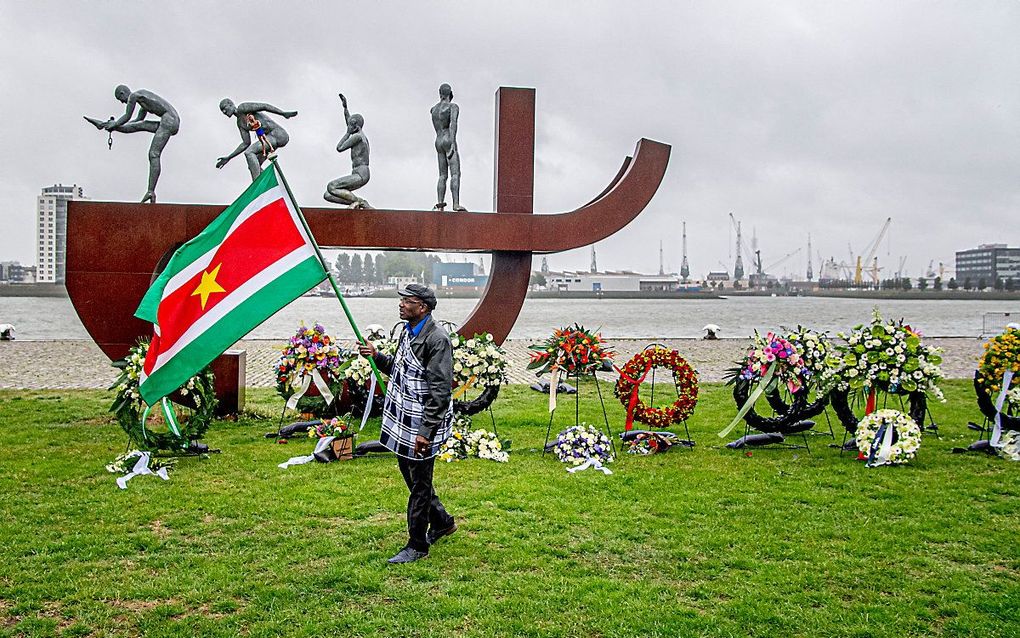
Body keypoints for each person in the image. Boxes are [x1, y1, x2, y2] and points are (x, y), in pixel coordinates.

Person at [358, 284, 455, 564]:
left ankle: (417, 544)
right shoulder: (406, 332)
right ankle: (442, 522)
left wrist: (426, 432)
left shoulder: (437, 340)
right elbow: (399, 368)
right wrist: (376, 356)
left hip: (422, 422)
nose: (401, 305)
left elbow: (440, 391)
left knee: (420, 484)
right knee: (412, 477)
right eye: (401, 300)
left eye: (408, 301)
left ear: (423, 308)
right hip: (403, 418)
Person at [84, 85, 180, 203]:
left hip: (169, 121)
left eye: (121, 100)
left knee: (154, 154)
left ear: (122, 93)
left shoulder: (134, 96)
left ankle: (150, 191)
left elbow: (127, 116)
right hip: (170, 120)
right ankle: (103, 124)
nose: (123, 102)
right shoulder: (143, 101)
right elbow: (135, 122)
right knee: (140, 125)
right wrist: (115, 126)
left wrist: (115, 124)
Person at [216, 99, 298, 180]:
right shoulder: (240, 123)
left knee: (249, 152)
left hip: (278, 134)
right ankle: (268, 183)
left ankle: (256, 183)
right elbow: (245, 143)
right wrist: (229, 157)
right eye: (222, 111)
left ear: (230, 104)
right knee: (254, 165)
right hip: (268, 138)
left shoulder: (243, 108)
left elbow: (264, 106)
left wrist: (283, 113)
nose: (224, 112)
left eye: (224, 108)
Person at [324, 93, 371, 208]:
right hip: (358, 173)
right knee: (328, 195)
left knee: (331, 187)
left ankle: (360, 202)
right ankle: (357, 202)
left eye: (350, 125)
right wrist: (345, 108)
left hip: (361, 174)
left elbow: (339, 148)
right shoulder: (360, 135)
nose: (348, 126)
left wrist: (347, 133)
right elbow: (349, 122)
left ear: (355, 127)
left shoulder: (357, 137)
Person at [431, 83, 465, 211]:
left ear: (440, 93)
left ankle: (440, 203)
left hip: (438, 141)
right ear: (450, 93)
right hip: (447, 138)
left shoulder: (433, 110)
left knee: (442, 175)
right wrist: (452, 143)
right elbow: (453, 124)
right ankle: (455, 204)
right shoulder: (453, 107)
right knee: (455, 173)